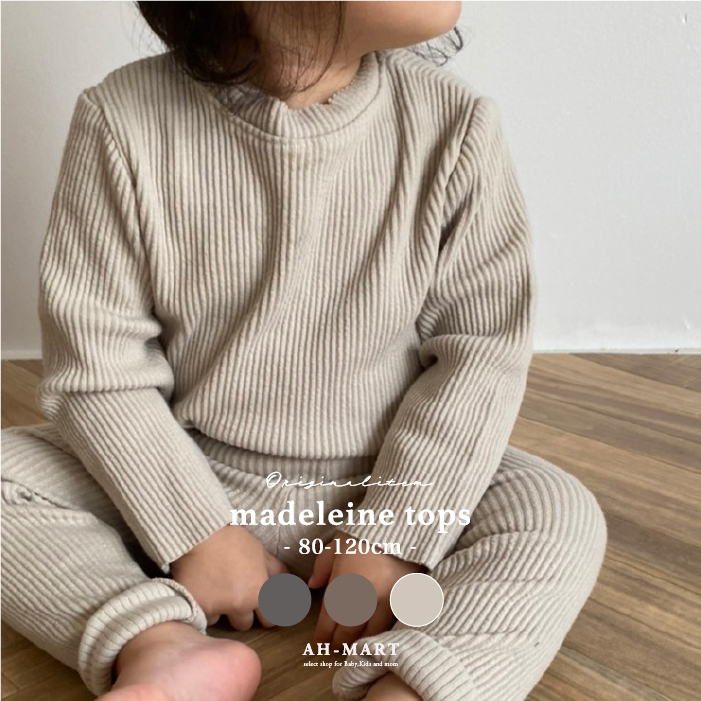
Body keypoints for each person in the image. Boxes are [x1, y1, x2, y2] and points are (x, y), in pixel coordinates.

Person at [0, 2, 608, 700]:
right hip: (189, 469)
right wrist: (197, 531)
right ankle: (159, 645)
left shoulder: (455, 125)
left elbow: (480, 354)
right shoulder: (123, 120)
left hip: (389, 479)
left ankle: (415, 688)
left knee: (554, 510)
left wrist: (394, 533)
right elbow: (98, 370)